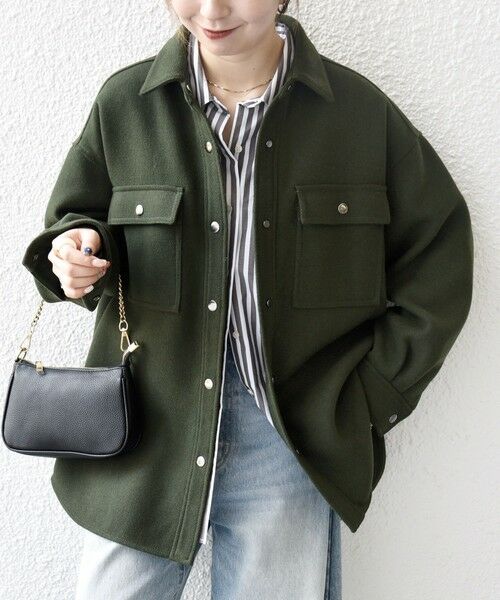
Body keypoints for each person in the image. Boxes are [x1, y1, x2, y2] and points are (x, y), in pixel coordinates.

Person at [20, 1, 474, 599]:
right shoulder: (126, 104)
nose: (212, 10)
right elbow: (75, 220)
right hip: (145, 431)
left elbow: (438, 254)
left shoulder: (358, 114)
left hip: (289, 437)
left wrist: (369, 398)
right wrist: (74, 254)